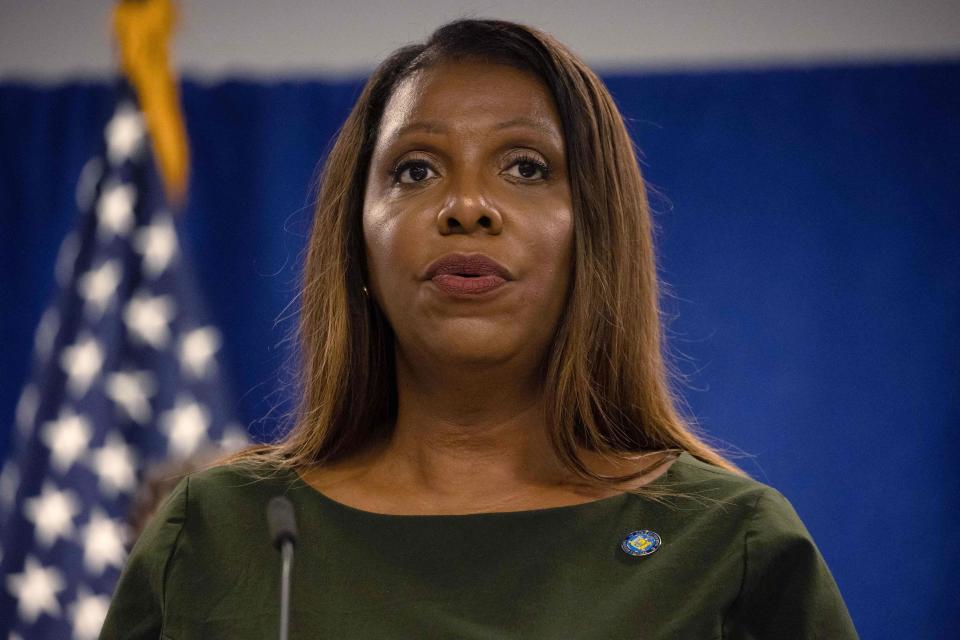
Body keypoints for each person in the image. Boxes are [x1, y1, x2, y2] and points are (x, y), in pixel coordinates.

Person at [101, 18, 859, 639]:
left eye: (526, 167)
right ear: (357, 245)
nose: (467, 206)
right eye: (416, 170)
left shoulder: (731, 543)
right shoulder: (217, 532)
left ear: (596, 237)